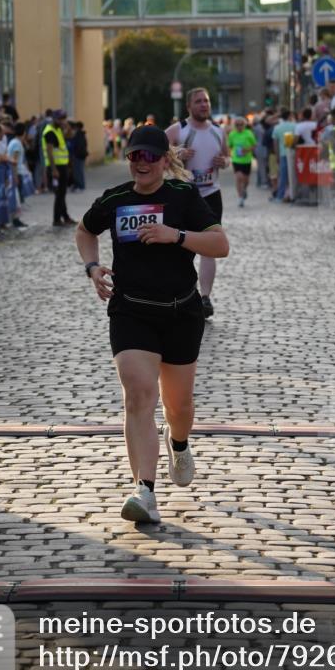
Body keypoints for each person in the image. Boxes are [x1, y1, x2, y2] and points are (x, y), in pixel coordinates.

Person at [75, 125, 229, 524]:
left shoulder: (182, 196)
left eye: (149, 156)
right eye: (134, 156)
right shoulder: (116, 199)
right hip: (131, 311)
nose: (141, 163)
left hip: (181, 312)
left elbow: (220, 245)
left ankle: (178, 443)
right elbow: (84, 230)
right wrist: (92, 267)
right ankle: (144, 491)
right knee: (139, 396)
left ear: (164, 159)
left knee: (179, 405)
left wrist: (174, 235)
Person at [166, 88, 229, 319]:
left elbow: (227, 157)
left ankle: (205, 298)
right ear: (189, 107)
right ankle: (180, 293)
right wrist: (176, 154)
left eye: (207, 101)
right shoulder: (178, 130)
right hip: (184, 194)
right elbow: (156, 154)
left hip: (211, 194)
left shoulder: (218, 131)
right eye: (199, 101)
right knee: (181, 246)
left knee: (209, 247)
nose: (204, 105)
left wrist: (224, 161)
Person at [42, 109, 75, 227]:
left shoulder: (58, 129)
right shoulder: (49, 132)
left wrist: (68, 127)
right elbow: (49, 152)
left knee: (62, 193)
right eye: (61, 119)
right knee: (59, 194)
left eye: (64, 118)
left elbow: (70, 136)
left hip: (62, 165)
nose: (63, 121)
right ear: (55, 119)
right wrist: (54, 169)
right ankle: (56, 219)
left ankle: (65, 217)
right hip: (56, 167)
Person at [228, 116, 257, 207]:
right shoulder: (232, 134)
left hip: (247, 160)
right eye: (237, 124)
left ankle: (244, 189)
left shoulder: (248, 133)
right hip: (236, 160)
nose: (239, 126)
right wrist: (229, 154)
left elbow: (254, 145)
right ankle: (240, 198)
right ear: (234, 125)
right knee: (238, 177)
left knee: (246, 179)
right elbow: (229, 146)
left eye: (241, 124)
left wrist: (247, 150)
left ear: (244, 125)